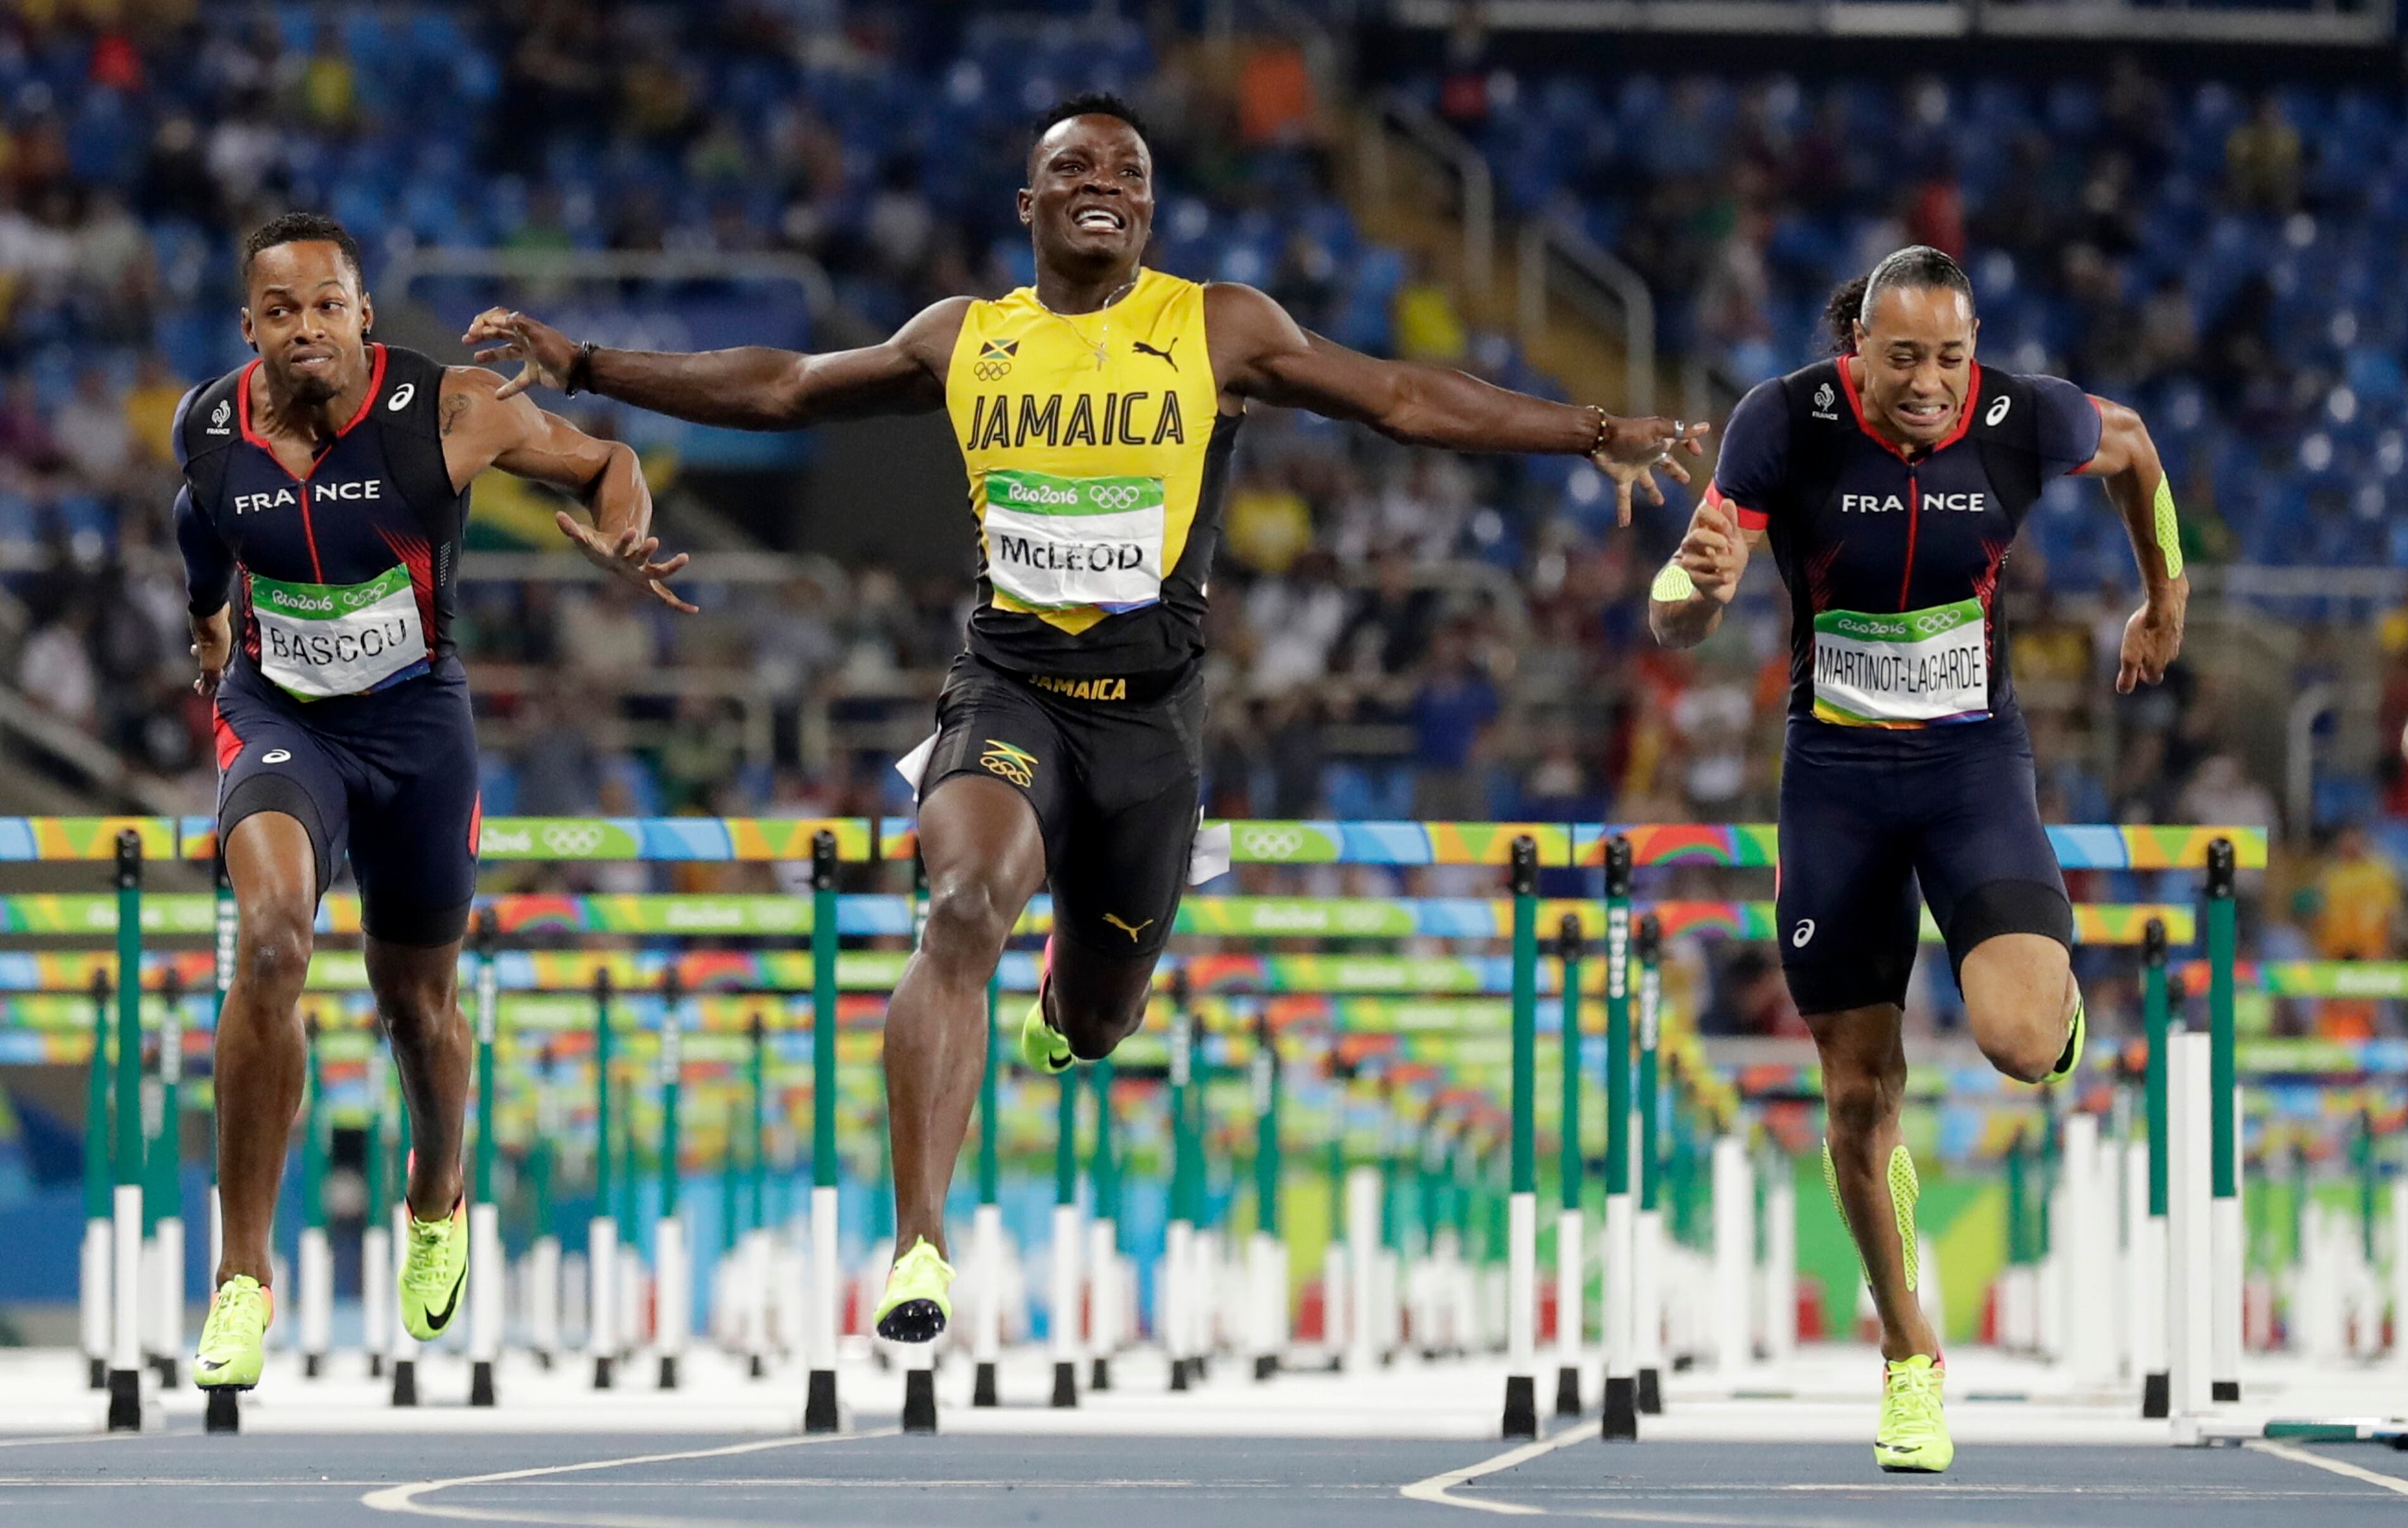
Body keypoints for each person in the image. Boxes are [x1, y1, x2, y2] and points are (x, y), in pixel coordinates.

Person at [464, 92, 1704, 1343]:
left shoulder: (1217, 326)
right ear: (1032, 203)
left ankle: (1067, 1000)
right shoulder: (965, 338)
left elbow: (1397, 398)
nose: (1102, 179)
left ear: (1151, 205)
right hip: (1008, 688)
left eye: (1128, 167)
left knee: (1104, 1020)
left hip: (1152, 723)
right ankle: (919, 1247)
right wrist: (589, 366)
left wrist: (1587, 429)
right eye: (1073, 165)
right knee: (958, 906)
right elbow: (787, 383)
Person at [1648, 244, 2185, 1474]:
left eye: (1952, 355)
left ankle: (2046, 1013)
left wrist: (2169, 593)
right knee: (1855, 1091)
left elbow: (2138, 445)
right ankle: (1908, 1356)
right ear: (1861, 350)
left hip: (1969, 770)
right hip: (1835, 780)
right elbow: (1682, 596)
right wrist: (1695, 593)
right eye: (1905, 358)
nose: (1933, 382)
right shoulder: (1782, 420)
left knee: (2015, 1043)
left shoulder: (2021, 415)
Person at [179, 213, 693, 1393]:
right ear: (249, 326)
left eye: (326, 305)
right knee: (268, 943)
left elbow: (607, 462)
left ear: (363, 313)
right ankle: (242, 1277)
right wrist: (210, 628)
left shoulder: (451, 411)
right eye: (279, 311)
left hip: (415, 728)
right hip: (280, 717)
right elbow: (196, 527)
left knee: (417, 1003)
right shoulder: (210, 426)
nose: (305, 327)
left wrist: (622, 537)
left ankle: (436, 1193)